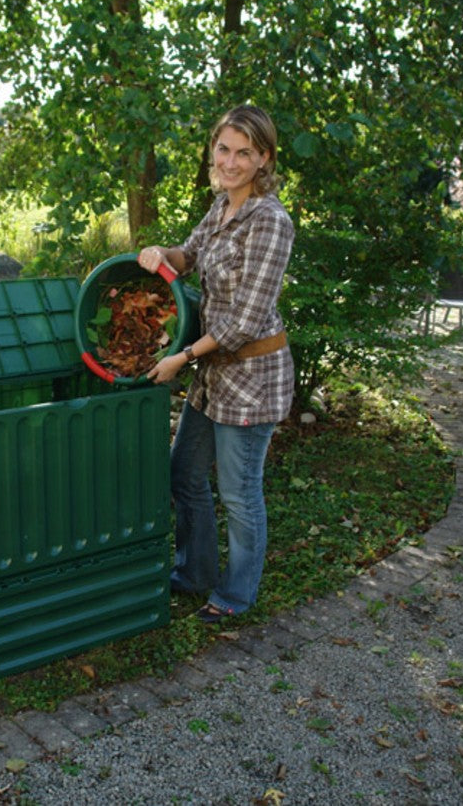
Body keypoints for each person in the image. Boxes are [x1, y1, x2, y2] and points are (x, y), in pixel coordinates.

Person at [137, 104, 294, 624]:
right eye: (223, 149)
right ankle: (193, 571)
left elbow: (244, 321)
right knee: (184, 472)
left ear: (263, 158)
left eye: (243, 152)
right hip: (213, 375)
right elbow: (190, 255)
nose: (230, 160)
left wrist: (180, 358)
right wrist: (161, 253)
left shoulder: (270, 221)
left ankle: (236, 593)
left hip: (251, 379)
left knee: (239, 492)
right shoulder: (222, 206)